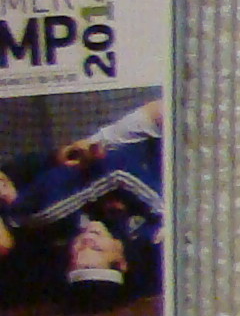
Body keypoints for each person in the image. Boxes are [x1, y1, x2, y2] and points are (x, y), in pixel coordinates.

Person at [0, 95, 165, 303]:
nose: (87, 240)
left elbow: (114, 169)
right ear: (122, 263)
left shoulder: (41, 215)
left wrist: (167, 214)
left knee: (161, 112)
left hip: (105, 155)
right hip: (160, 167)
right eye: (97, 248)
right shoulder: (149, 246)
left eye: (79, 250)